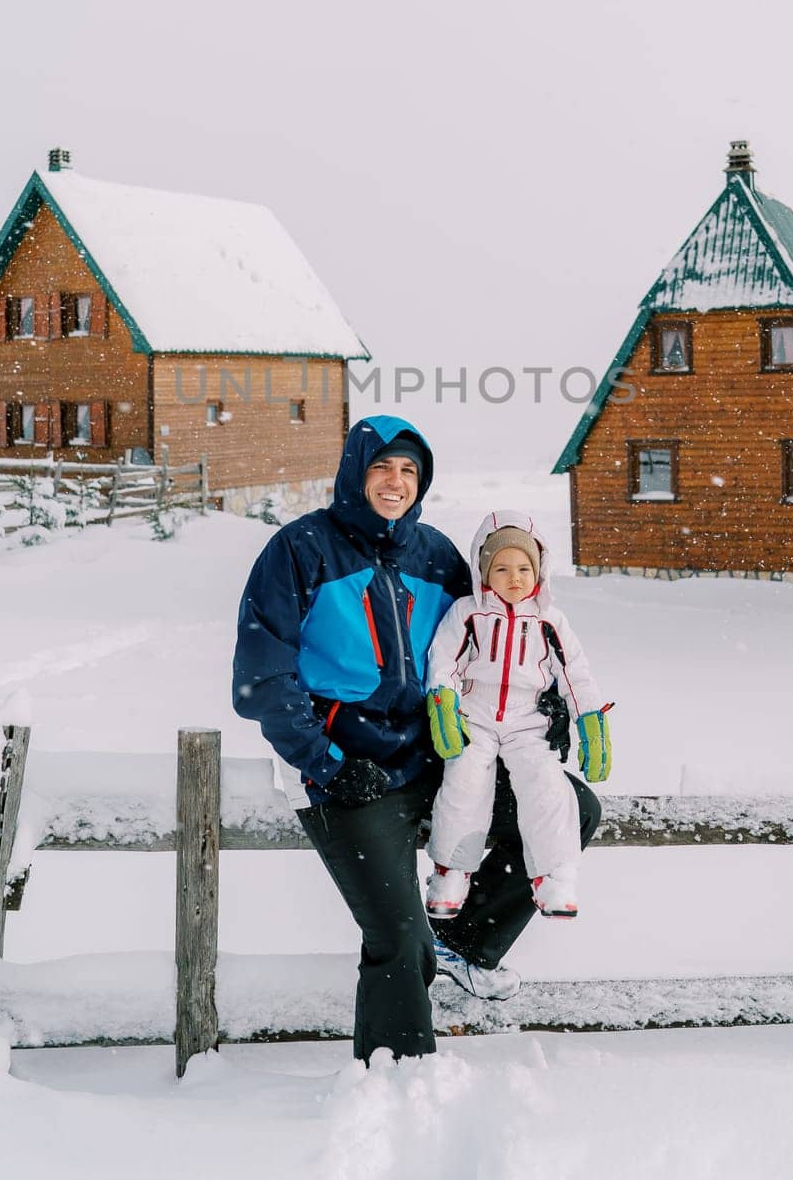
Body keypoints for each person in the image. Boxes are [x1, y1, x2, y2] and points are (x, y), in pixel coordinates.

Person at [232, 415, 601, 1063]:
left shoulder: (433, 554)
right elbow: (262, 678)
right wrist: (328, 762)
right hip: (351, 774)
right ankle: (396, 1075)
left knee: (574, 807)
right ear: (355, 472)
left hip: (440, 761)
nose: (395, 481)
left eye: (409, 470)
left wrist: (546, 701)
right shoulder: (301, 550)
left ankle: (466, 943)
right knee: (399, 939)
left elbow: (488, 649)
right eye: (382, 467)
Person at [424, 511, 612, 922]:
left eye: (525, 568)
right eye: (502, 568)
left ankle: (555, 875)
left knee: (546, 785)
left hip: (529, 722)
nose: (514, 577)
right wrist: (444, 706)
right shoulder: (466, 612)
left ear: (539, 570)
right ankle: (451, 871)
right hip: (476, 717)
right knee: (465, 781)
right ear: (484, 571)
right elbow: (444, 663)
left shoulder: (550, 621)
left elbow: (574, 674)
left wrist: (591, 723)